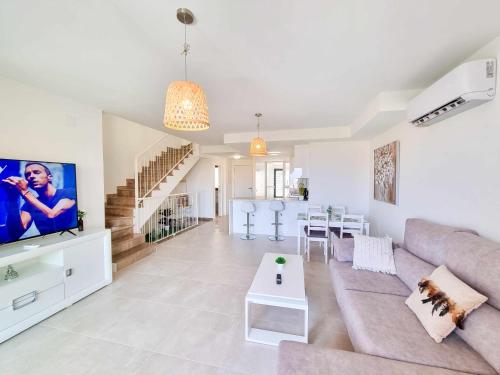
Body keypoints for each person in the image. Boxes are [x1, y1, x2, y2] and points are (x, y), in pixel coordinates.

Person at [1, 162, 77, 239]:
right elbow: (15, 234)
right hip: (47, 244)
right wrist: (12, 199)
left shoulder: (69, 192)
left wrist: (24, 192)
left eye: (36, 172)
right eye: (28, 175)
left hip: (71, 239)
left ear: (49, 177)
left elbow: (52, 215)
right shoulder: (29, 205)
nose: (31, 176)